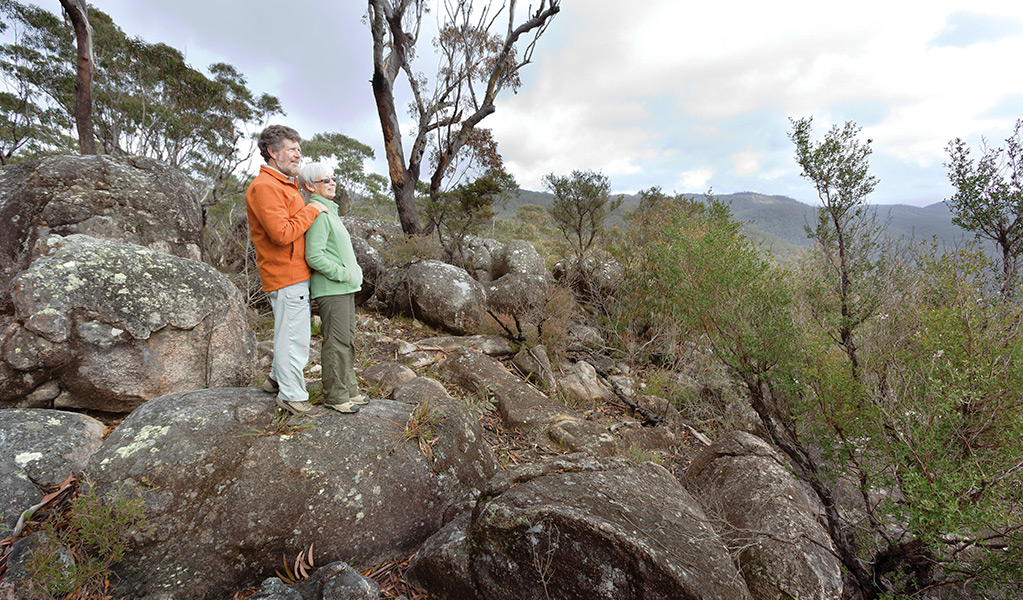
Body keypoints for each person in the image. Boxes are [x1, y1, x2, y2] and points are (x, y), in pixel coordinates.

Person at [246, 125, 327, 415]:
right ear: (272, 151)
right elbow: (282, 233)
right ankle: (292, 395)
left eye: (298, 149)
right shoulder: (265, 187)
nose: (298, 155)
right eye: (292, 149)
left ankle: (276, 380)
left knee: (288, 331)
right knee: (294, 337)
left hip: (293, 273)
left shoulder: (283, 184)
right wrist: (313, 209)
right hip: (285, 274)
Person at [300, 162, 366, 414]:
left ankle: (349, 389)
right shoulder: (318, 213)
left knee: (347, 340)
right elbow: (314, 256)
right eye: (325, 180)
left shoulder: (331, 212)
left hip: (344, 288)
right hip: (331, 288)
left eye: (332, 178)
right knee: (337, 342)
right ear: (309, 186)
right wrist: (344, 274)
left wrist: (352, 276)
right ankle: (335, 395)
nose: (332, 182)